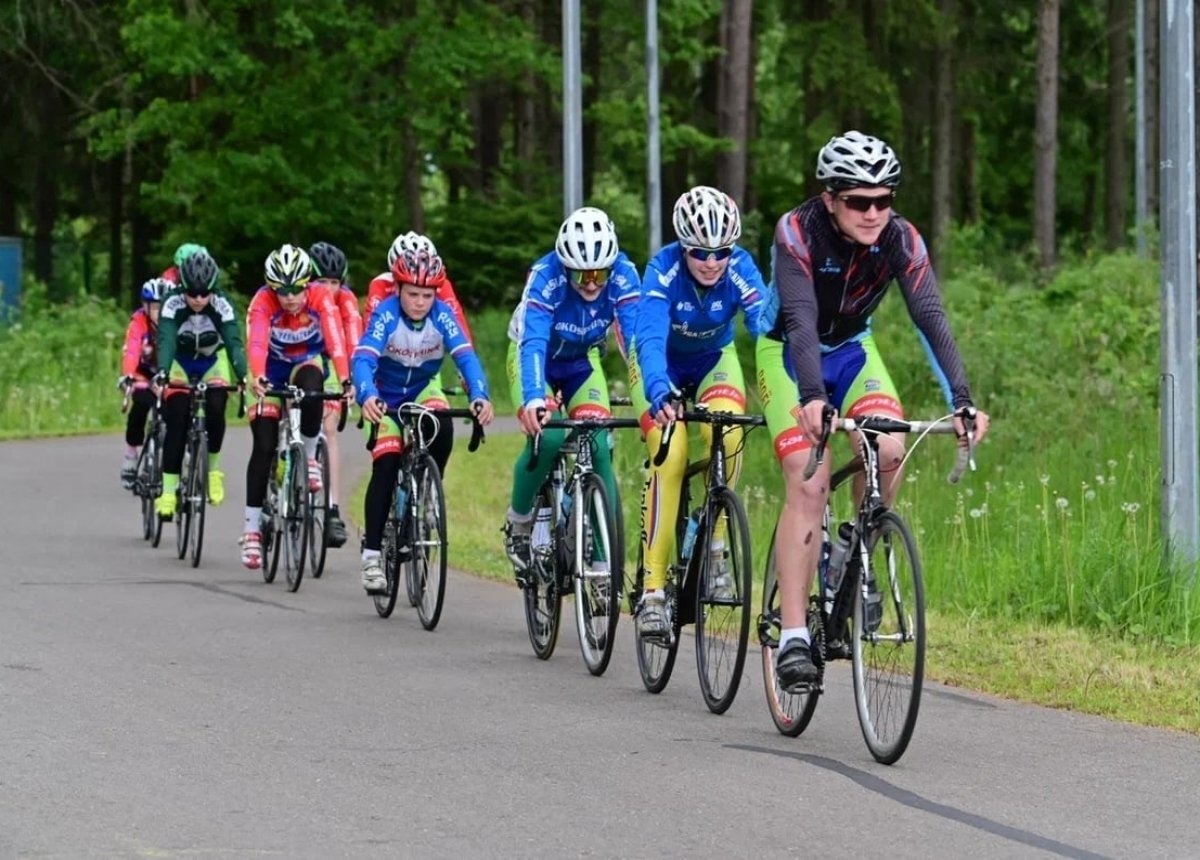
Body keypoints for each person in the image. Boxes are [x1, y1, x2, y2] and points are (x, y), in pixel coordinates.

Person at [760, 130, 991, 689]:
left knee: (889, 447)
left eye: (884, 200)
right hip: (790, 358)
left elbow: (929, 316)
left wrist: (961, 401)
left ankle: (850, 554)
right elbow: (798, 322)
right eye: (860, 201)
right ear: (831, 198)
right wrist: (813, 398)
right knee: (808, 483)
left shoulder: (902, 240)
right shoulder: (797, 232)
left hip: (855, 352)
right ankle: (793, 637)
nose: (873, 213)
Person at [630, 185, 771, 637]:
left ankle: (713, 545)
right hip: (658, 366)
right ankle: (652, 591)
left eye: (721, 252)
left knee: (728, 435)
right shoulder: (662, 269)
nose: (712, 263)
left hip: (714, 360)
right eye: (699, 252)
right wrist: (658, 391)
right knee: (670, 456)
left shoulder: (741, 268)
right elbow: (648, 337)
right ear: (682, 247)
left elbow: (767, 328)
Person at [501, 206, 640, 580]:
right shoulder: (545, 277)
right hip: (536, 358)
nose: (592, 282)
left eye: (599, 273)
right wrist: (534, 398)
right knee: (549, 437)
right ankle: (519, 520)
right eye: (583, 273)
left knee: (598, 444)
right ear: (566, 267)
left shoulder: (624, 275)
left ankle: (601, 562)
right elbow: (532, 342)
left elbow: (635, 344)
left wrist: (649, 396)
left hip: (581, 361)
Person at [354, 248, 493, 593]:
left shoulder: (442, 315)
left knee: (442, 421)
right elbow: (363, 359)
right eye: (412, 294)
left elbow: (466, 358)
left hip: (421, 388)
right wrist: (367, 395)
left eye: (427, 295)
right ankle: (372, 557)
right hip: (385, 393)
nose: (419, 302)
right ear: (398, 289)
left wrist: (479, 395)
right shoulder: (385, 315)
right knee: (385, 464)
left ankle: (430, 488)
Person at [240, 244, 352, 570]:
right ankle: (251, 531)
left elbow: (335, 340)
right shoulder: (262, 302)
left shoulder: (320, 298)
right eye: (282, 290)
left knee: (314, 386)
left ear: (308, 283)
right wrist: (258, 376)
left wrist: (345, 380)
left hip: (304, 362)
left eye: (296, 289)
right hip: (269, 369)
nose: (290, 297)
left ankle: (309, 453)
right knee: (263, 445)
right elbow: (258, 341)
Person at [153, 251, 248, 519]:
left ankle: (214, 470)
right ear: (182, 288)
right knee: (178, 417)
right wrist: (162, 371)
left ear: (213, 290)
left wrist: (242, 375)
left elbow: (233, 342)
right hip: (180, 362)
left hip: (211, 360)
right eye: (192, 293)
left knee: (217, 406)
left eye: (204, 294)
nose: (197, 299)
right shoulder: (171, 303)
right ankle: (169, 491)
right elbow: (167, 340)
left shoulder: (222, 304)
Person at [308, 241, 363, 549]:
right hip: (302, 360)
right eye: (322, 281)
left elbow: (353, 341)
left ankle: (332, 510)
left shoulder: (346, 301)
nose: (329, 288)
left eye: (334, 282)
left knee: (329, 427)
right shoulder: (302, 299)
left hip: (334, 361)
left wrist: (352, 381)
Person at [365, 231, 474, 344]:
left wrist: (466, 354)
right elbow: (369, 325)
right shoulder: (381, 283)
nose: (416, 273)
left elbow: (459, 324)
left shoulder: (442, 284)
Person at [118, 277, 172, 489]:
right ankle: (131, 456)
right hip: (143, 375)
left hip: (168, 375)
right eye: (155, 308)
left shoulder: (175, 321)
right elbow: (131, 350)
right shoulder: (139, 321)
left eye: (164, 307)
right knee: (139, 408)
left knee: (176, 411)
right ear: (145, 306)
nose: (159, 313)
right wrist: (128, 375)